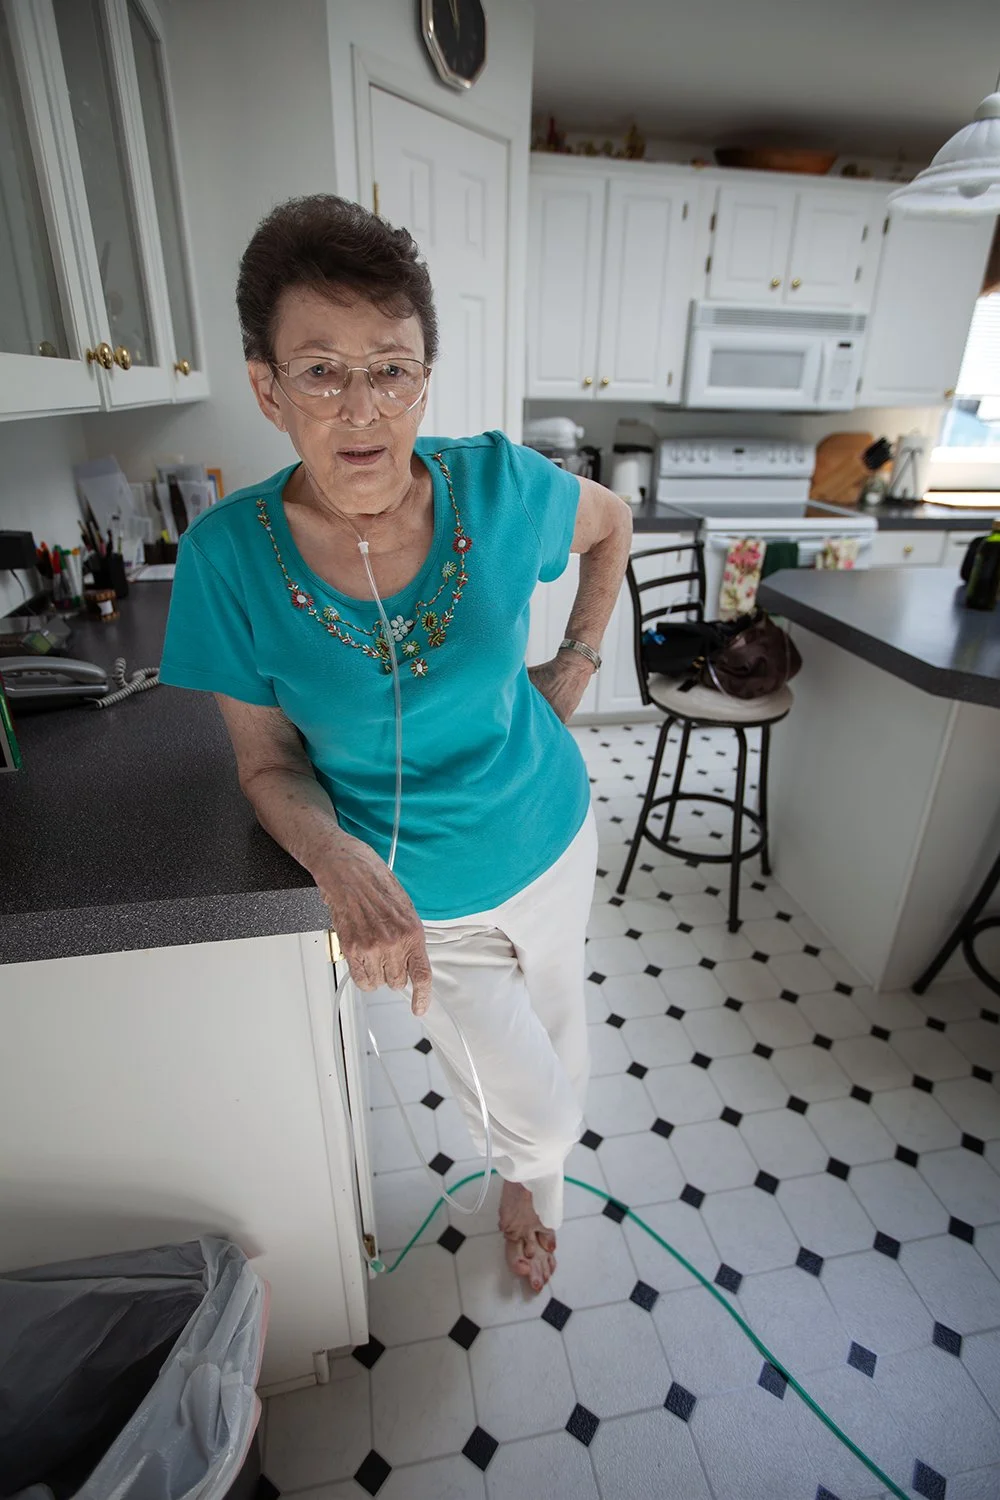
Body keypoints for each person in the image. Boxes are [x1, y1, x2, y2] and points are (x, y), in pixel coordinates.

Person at [160, 194, 632, 1291]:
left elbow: (609, 526)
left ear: (426, 376)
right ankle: (534, 1166)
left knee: (562, 1029)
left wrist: (575, 661)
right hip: (426, 899)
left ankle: (526, 1190)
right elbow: (266, 761)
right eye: (321, 371)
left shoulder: (500, 484)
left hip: (554, 835)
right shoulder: (227, 560)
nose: (362, 406)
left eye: (392, 368)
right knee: (543, 1109)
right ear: (267, 388)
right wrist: (334, 860)